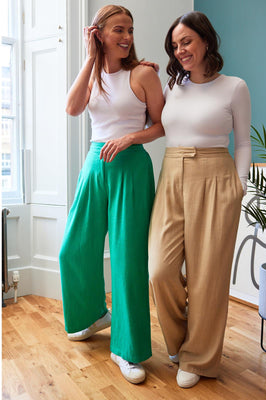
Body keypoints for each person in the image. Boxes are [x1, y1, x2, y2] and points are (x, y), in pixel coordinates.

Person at [59, 5, 164, 385]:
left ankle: (129, 349)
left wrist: (130, 137)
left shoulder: (144, 74)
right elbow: (72, 109)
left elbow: (162, 124)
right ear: (99, 33)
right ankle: (93, 315)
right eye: (118, 29)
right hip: (94, 162)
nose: (127, 37)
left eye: (130, 30)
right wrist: (89, 59)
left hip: (131, 166)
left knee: (127, 260)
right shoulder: (93, 76)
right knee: (73, 248)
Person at [148, 11, 251, 388]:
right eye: (175, 46)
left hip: (216, 175)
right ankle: (179, 343)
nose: (181, 51)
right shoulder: (173, 85)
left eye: (186, 41)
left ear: (206, 40)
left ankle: (199, 357)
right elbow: (152, 121)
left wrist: (237, 187)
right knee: (160, 269)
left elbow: (242, 142)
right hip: (172, 174)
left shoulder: (235, 87)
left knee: (208, 275)